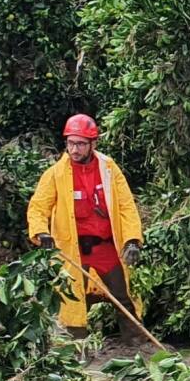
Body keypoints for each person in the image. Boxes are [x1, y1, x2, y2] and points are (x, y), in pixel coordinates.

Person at [26, 113, 145, 337]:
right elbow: (38, 207)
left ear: (93, 144)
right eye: (71, 143)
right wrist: (41, 233)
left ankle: (136, 343)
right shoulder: (55, 174)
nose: (74, 149)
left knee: (124, 295)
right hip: (72, 250)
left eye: (80, 144)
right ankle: (77, 350)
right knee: (72, 301)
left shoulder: (108, 169)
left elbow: (126, 206)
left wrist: (132, 240)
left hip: (106, 248)